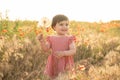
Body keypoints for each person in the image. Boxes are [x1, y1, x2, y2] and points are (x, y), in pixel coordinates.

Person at [38, 14, 76, 79]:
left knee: (65, 77)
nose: (64, 27)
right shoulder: (51, 38)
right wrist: (42, 41)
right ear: (54, 27)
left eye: (66, 24)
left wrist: (63, 53)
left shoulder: (69, 38)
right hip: (54, 61)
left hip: (65, 62)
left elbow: (73, 51)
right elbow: (45, 49)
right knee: (54, 77)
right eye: (61, 24)